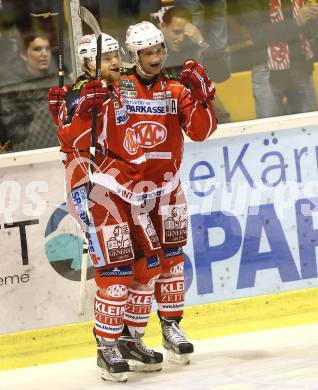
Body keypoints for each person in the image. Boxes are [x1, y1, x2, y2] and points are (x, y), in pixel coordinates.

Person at [54, 33, 163, 382]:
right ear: (87, 63)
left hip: (131, 189)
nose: (115, 62)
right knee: (116, 275)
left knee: (148, 266)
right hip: (98, 191)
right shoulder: (81, 92)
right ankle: (106, 347)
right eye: (106, 58)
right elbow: (69, 141)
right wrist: (79, 112)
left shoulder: (124, 84)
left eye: (116, 55)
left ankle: (131, 339)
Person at [121, 21, 217, 364]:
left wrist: (203, 100)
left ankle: (172, 327)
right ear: (134, 56)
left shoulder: (176, 90)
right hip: (129, 194)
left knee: (173, 263)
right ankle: (130, 336)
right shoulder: (121, 88)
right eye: (148, 52)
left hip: (168, 190)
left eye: (159, 49)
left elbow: (201, 133)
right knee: (143, 266)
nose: (156, 56)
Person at [242, 0, 318, 118]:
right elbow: (258, 33)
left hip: (300, 63)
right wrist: (297, 22)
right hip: (267, 68)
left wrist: (313, 17)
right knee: (268, 128)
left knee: (309, 125)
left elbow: (310, 32)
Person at [0, 32, 58, 152]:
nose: (44, 54)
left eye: (47, 48)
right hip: (27, 152)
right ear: (24, 54)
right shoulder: (11, 87)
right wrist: (43, 121)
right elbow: (13, 132)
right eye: (37, 49)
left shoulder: (61, 79)